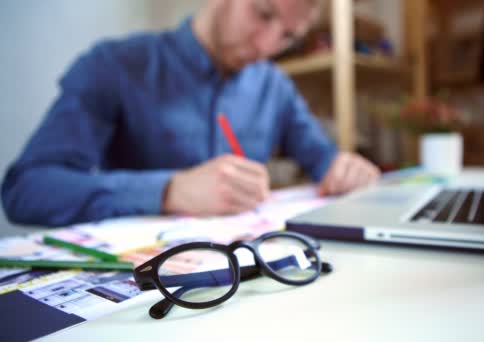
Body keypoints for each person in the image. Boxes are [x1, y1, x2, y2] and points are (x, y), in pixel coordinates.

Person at [1, 0, 380, 227]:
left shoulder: (273, 86)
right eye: (263, 13)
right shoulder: (115, 65)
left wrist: (343, 168)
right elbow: (25, 190)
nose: (267, 45)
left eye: (287, 36)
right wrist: (168, 191)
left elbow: (322, 157)